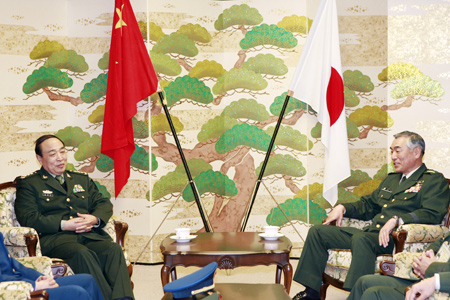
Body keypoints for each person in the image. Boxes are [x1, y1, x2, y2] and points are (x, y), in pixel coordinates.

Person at [291, 131, 450, 300]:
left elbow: (432, 213)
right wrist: (342, 207)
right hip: (372, 233)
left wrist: (398, 220)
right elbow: (369, 205)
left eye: (398, 150)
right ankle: (311, 293)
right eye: (391, 151)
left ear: (416, 152)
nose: (393, 156)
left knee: (362, 239)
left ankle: (356, 295)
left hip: (394, 240)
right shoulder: (392, 179)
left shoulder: (433, 181)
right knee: (318, 232)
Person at [14, 135, 134, 300]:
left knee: (112, 249)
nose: (60, 158)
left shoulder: (80, 179)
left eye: (62, 152)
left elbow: (103, 203)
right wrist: (64, 224)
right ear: (40, 159)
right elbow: (29, 217)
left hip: (89, 235)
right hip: (56, 239)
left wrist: (94, 219)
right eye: (52, 154)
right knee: (82, 254)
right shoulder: (29, 184)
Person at [348, 231, 450, 300]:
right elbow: (441, 242)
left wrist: (432, 268)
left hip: (441, 288)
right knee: (364, 282)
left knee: (373, 294)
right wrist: (426, 256)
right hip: (428, 278)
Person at [0, 233, 103, 300]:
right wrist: (35, 285)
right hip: (14, 289)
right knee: (77, 292)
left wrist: (39, 277)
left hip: (21, 280)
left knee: (87, 280)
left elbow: (12, 263)